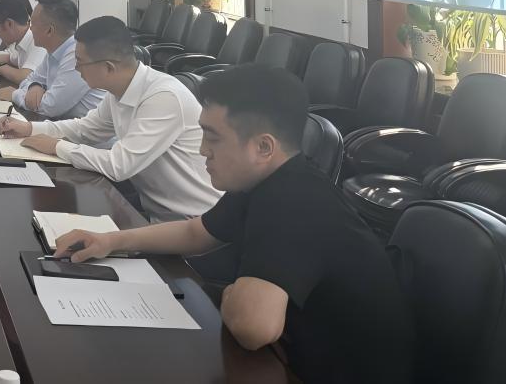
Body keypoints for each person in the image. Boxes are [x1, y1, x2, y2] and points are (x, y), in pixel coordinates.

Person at [47, 65, 414, 384]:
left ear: (263, 147)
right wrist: (111, 240)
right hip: (296, 354)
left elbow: (255, 327)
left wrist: (234, 293)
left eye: (213, 137)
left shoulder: (294, 200)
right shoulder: (268, 178)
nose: (202, 150)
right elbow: (195, 232)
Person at [0, 16, 220, 220]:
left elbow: (118, 165)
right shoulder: (118, 91)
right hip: (157, 211)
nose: (76, 68)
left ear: (108, 67)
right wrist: (29, 128)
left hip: (195, 221)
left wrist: (56, 146)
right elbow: (85, 129)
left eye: (80, 61)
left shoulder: (164, 97)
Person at [0, 0, 102, 119]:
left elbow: (50, 107)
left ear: (49, 30)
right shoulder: (54, 51)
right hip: (63, 124)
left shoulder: (77, 55)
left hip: (87, 130)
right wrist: (36, 85)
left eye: (33, 23)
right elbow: (29, 80)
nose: (30, 28)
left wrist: (14, 94)